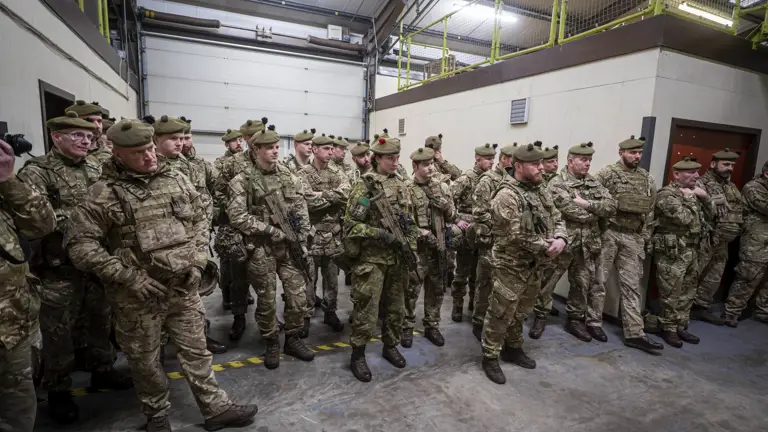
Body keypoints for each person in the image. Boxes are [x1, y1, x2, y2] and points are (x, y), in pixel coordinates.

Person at [66, 118, 257, 432]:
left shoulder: (177, 178)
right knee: (144, 360)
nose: (150, 157)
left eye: (151, 149)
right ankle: (157, 417)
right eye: (140, 152)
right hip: (137, 295)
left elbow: (199, 218)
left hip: (184, 287)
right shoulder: (103, 193)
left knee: (197, 351)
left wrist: (197, 260)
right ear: (116, 151)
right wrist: (128, 276)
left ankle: (215, 408)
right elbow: (80, 245)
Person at [18, 112, 131, 424]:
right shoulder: (38, 172)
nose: (86, 140)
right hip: (59, 268)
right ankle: (58, 390)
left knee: (100, 320)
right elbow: (38, 219)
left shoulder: (98, 167)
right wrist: (90, 219)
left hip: (96, 263)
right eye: (76, 135)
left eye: (88, 136)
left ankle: (102, 371)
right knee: (59, 333)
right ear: (56, 138)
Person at [226, 124, 315, 369]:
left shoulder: (289, 175)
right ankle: (272, 341)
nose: (275, 152)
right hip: (261, 248)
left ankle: (293, 338)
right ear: (255, 149)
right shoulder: (242, 180)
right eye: (269, 148)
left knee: (297, 296)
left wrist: (302, 236)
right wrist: (269, 230)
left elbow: (300, 207)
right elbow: (237, 216)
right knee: (266, 300)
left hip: (289, 247)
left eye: (277, 147)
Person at [480, 143, 567, 385]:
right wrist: (549, 247)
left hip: (534, 264)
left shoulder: (540, 189)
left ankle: (513, 347)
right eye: (535, 164)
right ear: (518, 166)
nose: (541, 167)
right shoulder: (506, 195)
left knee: (522, 310)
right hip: (511, 264)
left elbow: (557, 216)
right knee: (501, 311)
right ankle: (490, 356)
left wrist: (561, 238)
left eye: (541, 163)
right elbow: (517, 234)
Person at [344, 136, 420, 382]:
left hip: (397, 258)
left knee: (396, 307)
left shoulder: (402, 184)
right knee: (367, 309)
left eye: (397, 158)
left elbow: (410, 221)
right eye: (390, 158)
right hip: (372, 260)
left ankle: (390, 345)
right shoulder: (365, 188)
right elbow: (351, 226)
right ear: (376, 159)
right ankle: (358, 354)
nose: (395, 162)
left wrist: (410, 243)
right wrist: (380, 234)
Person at [150, 115, 226, 354]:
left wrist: (201, 248)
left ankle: (200, 337)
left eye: (183, 137)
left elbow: (206, 203)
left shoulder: (193, 166)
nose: (181, 143)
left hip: (192, 244)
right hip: (160, 249)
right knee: (158, 301)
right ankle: (160, 349)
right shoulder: (149, 168)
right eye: (174, 138)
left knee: (193, 298)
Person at [532, 142, 616, 341]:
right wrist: (594, 210)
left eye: (589, 160)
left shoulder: (594, 183)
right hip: (563, 241)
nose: (587, 164)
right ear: (570, 161)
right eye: (583, 160)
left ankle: (575, 319)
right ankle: (540, 315)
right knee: (548, 281)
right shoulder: (556, 183)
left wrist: (586, 203)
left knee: (581, 283)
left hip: (588, 244)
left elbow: (612, 206)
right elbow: (572, 211)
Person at [0, 138, 57, 432]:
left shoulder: (6, 187)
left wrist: (8, 179)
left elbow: (42, 225)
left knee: (18, 407)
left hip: (13, 321)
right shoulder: (41, 168)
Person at [595, 135, 664, 354]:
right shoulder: (606, 174)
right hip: (610, 233)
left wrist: (643, 236)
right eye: (632, 152)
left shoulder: (646, 178)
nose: (636, 156)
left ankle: (635, 333)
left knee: (632, 285)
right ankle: (593, 322)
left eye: (639, 153)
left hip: (633, 236)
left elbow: (650, 209)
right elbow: (593, 200)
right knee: (598, 280)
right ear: (621, 153)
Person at [401, 147, 467, 348]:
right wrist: (422, 233)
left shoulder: (442, 187)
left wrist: (445, 205)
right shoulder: (406, 188)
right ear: (415, 166)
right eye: (425, 165)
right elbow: (403, 221)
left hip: (438, 248)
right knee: (411, 290)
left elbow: (452, 216)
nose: (430, 168)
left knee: (437, 289)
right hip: (418, 250)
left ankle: (432, 325)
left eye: (432, 164)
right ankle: (407, 326)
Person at [215, 119, 267, 340]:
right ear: (245, 138)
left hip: (264, 229)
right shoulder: (232, 164)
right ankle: (239, 318)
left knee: (267, 277)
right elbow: (217, 193)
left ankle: (268, 318)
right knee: (238, 278)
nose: (258, 139)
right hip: (238, 229)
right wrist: (234, 211)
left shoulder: (270, 161)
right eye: (253, 135)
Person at [653, 157, 712, 347]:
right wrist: (690, 199)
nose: (696, 175)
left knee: (688, 289)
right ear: (676, 174)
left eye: (697, 172)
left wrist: (705, 197)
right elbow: (684, 218)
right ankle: (668, 328)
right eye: (691, 172)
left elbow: (713, 216)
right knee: (672, 292)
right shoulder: (667, 195)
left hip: (692, 249)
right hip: (673, 251)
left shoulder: (695, 193)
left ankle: (680, 326)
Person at [298, 133, 350, 333]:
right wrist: (332, 197)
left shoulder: (337, 172)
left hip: (334, 237)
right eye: (326, 149)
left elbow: (347, 194)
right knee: (309, 280)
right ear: (315, 150)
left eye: (331, 149)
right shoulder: (303, 174)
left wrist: (322, 195)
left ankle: (330, 312)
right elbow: (307, 201)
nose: (330, 152)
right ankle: (306, 316)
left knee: (332, 281)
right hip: (313, 237)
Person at [468, 143, 516, 339]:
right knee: (485, 283)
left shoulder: (512, 180)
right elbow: (479, 211)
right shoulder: (488, 180)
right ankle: (479, 321)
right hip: (490, 241)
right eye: (513, 160)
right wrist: (500, 223)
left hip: (508, 244)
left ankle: (498, 323)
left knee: (503, 287)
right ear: (504, 159)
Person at [691, 149, 743, 325]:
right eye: (726, 164)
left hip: (724, 241)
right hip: (706, 238)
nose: (730, 168)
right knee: (693, 273)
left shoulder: (731, 187)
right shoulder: (701, 183)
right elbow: (699, 209)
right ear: (713, 164)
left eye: (732, 165)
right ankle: (680, 309)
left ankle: (700, 307)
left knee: (713, 276)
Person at [449, 143, 496, 325]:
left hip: (483, 234)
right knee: (462, 270)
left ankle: (474, 304)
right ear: (478, 159)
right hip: (467, 233)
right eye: (488, 159)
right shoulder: (466, 179)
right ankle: (457, 304)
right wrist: (457, 219)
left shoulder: (492, 180)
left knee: (480, 273)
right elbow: (449, 201)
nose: (492, 162)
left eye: (493, 158)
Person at [721, 161, 768, 327]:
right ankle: (732, 311)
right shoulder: (753, 188)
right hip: (756, 240)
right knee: (749, 275)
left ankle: (763, 310)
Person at [213, 128, 248, 311]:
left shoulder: (247, 161)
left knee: (244, 257)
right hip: (228, 218)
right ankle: (227, 294)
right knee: (228, 259)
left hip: (245, 217)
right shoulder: (221, 164)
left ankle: (244, 293)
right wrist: (232, 205)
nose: (239, 143)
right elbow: (218, 191)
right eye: (234, 141)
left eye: (240, 140)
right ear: (227, 144)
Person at [65, 100, 112, 165]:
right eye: (90, 121)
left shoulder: (110, 153)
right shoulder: (66, 154)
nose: (97, 126)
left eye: (99, 121)